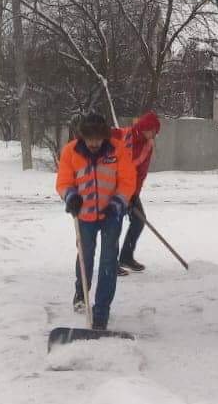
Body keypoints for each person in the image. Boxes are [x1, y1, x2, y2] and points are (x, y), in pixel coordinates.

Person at [56, 112, 135, 331]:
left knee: (109, 260)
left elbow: (128, 181)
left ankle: (101, 312)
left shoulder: (117, 150)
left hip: (111, 215)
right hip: (84, 215)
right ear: (82, 137)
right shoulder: (70, 152)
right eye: (89, 139)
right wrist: (70, 196)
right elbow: (63, 180)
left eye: (97, 139)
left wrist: (118, 203)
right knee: (86, 255)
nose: (93, 143)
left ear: (104, 137)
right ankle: (81, 294)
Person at [115, 111, 160, 274]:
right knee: (115, 224)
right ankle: (111, 263)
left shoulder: (148, 146)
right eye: (153, 131)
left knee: (139, 220)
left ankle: (126, 256)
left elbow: (141, 173)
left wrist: (134, 195)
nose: (154, 135)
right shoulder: (122, 135)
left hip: (131, 189)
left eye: (155, 132)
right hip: (114, 187)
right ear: (145, 127)